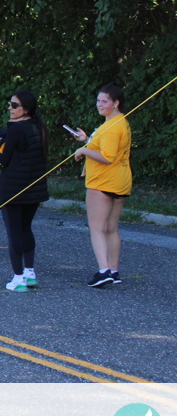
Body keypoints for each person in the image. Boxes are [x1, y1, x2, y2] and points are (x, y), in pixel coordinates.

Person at [72, 84, 131, 288]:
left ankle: (104, 271)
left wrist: (83, 150)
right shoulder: (118, 122)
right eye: (98, 100)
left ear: (116, 103)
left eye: (105, 101)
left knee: (97, 228)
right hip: (119, 181)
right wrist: (87, 140)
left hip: (103, 182)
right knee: (111, 228)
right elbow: (104, 145)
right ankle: (113, 271)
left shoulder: (113, 126)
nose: (99, 104)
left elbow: (107, 157)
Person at [0, 90, 49, 292]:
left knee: (14, 233)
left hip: (13, 189)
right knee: (26, 228)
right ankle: (29, 272)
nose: (10, 108)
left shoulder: (16, 130)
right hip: (34, 188)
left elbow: (4, 159)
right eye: (10, 104)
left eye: (15, 105)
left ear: (26, 109)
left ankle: (18, 278)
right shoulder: (39, 127)